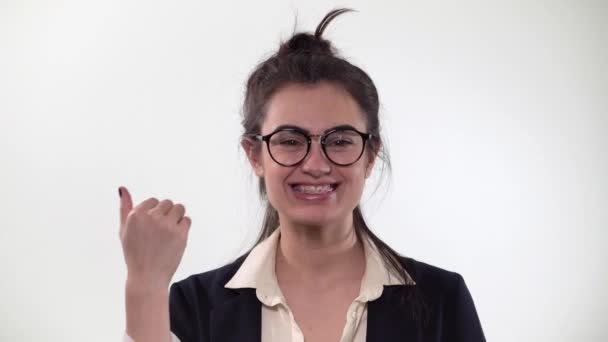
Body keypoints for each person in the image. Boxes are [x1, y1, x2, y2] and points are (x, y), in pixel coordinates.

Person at [119, 8, 486, 342]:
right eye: (290, 140)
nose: (315, 164)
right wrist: (146, 284)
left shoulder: (441, 301)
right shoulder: (195, 305)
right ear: (255, 155)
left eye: (340, 140)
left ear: (370, 156)